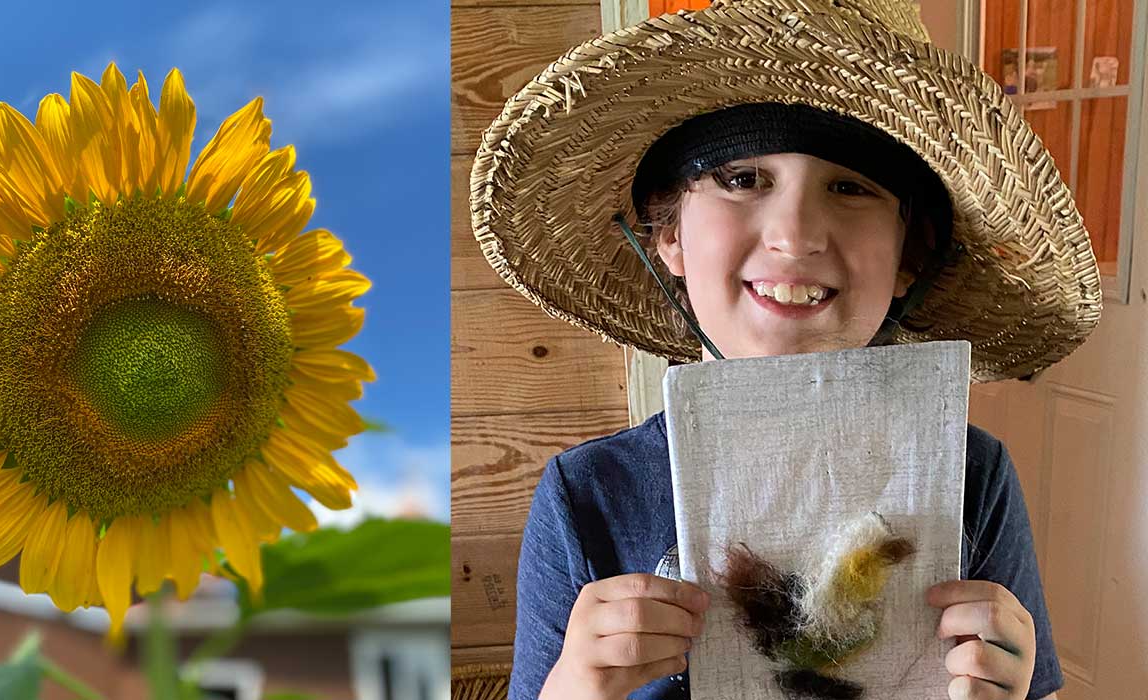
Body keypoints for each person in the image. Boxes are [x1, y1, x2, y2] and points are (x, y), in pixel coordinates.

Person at [468, 0, 1099, 697]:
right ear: (668, 235)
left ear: (909, 259)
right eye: (743, 179)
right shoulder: (588, 495)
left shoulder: (972, 474)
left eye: (851, 186)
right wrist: (573, 689)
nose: (795, 235)